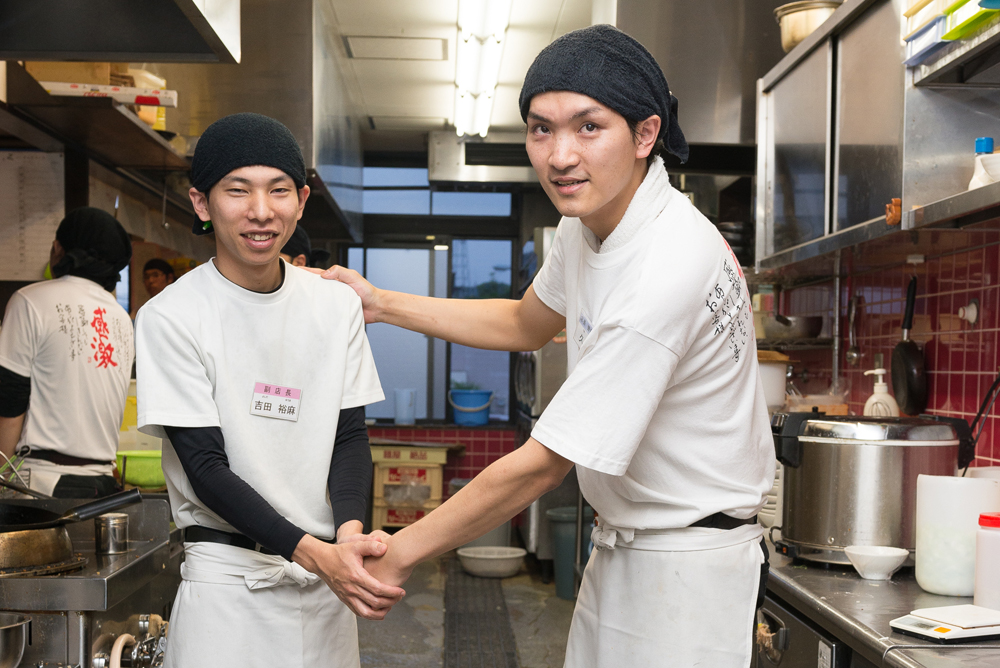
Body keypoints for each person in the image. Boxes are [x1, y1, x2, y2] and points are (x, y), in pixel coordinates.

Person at [329, 25, 774, 667]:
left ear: (645, 134)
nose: (560, 155)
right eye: (541, 129)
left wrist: (394, 554)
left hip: (689, 567)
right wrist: (382, 304)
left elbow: (545, 463)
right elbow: (523, 323)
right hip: (625, 545)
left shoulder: (666, 264)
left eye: (588, 127)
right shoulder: (584, 225)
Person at [134, 113, 404, 668]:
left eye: (278, 190)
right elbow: (205, 467)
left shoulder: (334, 305)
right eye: (238, 190)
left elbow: (349, 437)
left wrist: (347, 537)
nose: (261, 211)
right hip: (229, 592)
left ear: (301, 200)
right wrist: (317, 554)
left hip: (326, 587)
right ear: (202, 203)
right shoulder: (172, 315)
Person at [0, 207, 134, 498]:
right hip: (103, 485)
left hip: (42, 483)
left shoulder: (30, 300)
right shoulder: (120, 316)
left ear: (58, 249)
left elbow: (9, 401)